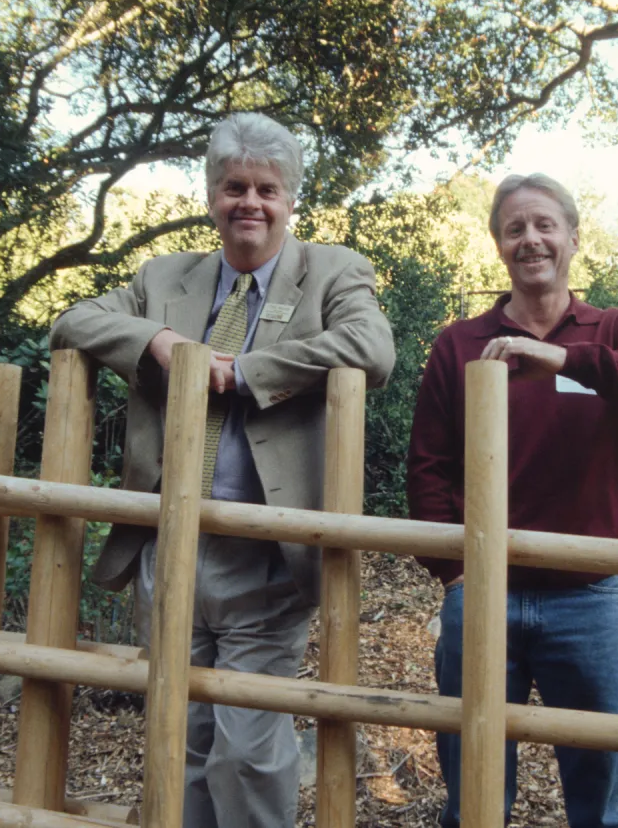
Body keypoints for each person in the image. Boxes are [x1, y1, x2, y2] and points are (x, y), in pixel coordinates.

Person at [50, 113, 395, 828]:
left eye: (267, 189)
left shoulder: (332, 271)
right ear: (211, 194)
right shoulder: (162, 278)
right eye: (234, 186)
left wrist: (243, 373)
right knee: (180, 733)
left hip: (265, 554)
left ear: (290, 199)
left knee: (249, 747)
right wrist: (163, 341)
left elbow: (371, 348)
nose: (250, 203)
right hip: (166, 548)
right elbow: (73, 322)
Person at [406, 174, 618, 828]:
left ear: (572, 237)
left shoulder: (617, 329)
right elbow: (428, 468)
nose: (530, 240)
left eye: (544, 225)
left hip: (591, 596)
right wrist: (454, 575)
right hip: (481, 591)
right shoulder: (458, 345)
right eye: (515, 228)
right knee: (474, 783)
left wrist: (563, 359)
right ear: (498, 245)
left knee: (601, 788)